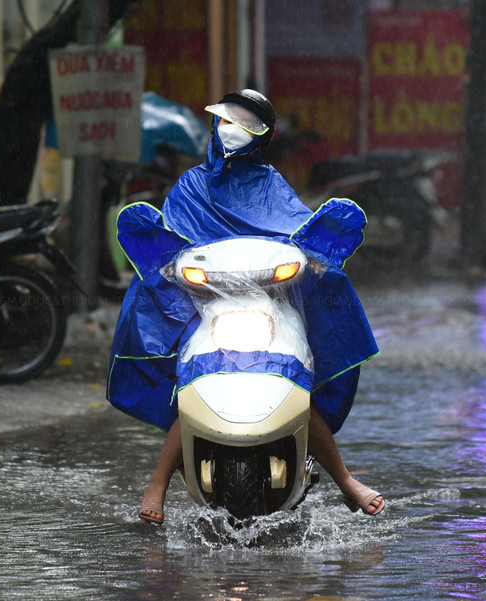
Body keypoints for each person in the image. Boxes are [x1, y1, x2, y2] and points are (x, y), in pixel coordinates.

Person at [107, 89, 384, 525]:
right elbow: (173, 243)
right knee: (191, 388)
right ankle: (157, 483)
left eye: (247, 122)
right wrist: (171, 267)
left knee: (298, 389)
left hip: (271, 304)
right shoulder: (192, 185)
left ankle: (346, 481)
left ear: (263, 135)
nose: (233, 127)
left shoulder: (272, 185)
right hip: (206, 307)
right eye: (228, 118)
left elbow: (296, 231)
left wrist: (310, 260)